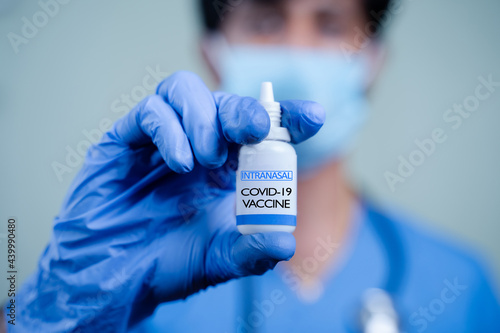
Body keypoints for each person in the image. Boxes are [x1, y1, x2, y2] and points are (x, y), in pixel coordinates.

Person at [8, 0, 500, 332]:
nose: (297, 54)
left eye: (330, 24)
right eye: (266, 21)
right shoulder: (142, 261)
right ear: (213, 52)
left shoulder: (459, 285)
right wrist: (49, 310)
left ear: (371, 60)